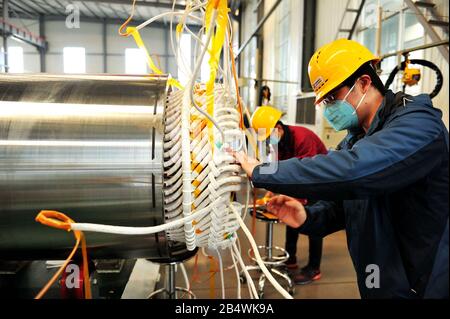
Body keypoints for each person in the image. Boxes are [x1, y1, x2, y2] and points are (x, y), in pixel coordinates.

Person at [232, 39, 448, 298]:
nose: (328, 108)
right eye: (324, 101)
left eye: (332, 97)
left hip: (423, 281)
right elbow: (347, 205)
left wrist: (263, 171)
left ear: (364, 83)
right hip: (379, 275)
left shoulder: (418, 126)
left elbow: (354, 172)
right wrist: (307, 217)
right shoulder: (356, 138)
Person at [251, 105, 328, 284]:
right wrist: (271, 190)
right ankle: (290, 259)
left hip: (319, 182)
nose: (268, 141)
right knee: (290, 218)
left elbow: (308, 174)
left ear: (278, 128)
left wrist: (292, 196)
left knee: (315, 223)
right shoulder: (280, 143)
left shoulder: (302, 138)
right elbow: (279, 170)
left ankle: (314, 268)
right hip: (303, 180)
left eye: (269, 136)